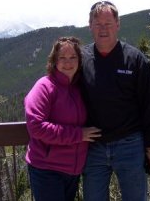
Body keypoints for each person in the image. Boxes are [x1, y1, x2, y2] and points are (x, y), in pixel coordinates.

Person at [81, 1, 150, 201]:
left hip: (130, 144)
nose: (103, 29)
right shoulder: (81, 59)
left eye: (108, 23)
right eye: (98, 23)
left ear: (118, 24)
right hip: (93, 147)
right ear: (90, 25)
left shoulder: (135, 59)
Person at [24, 36, 101, 201]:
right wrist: (78, 135)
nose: (68, 62)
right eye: (62, 58)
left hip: (72, 171)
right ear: (54, 61)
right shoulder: (44, 87)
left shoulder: (80, 88)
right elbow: (36, 126)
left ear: (80, 61)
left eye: (73, 57)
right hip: (47, 170)